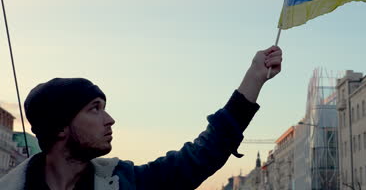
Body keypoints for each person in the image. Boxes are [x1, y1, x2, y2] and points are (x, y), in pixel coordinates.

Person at [0, 46, 283, 190]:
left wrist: (254, 79)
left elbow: (200, 157)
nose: (110, 119)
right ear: (60, 126)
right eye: (94, 108)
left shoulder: (125, 181)